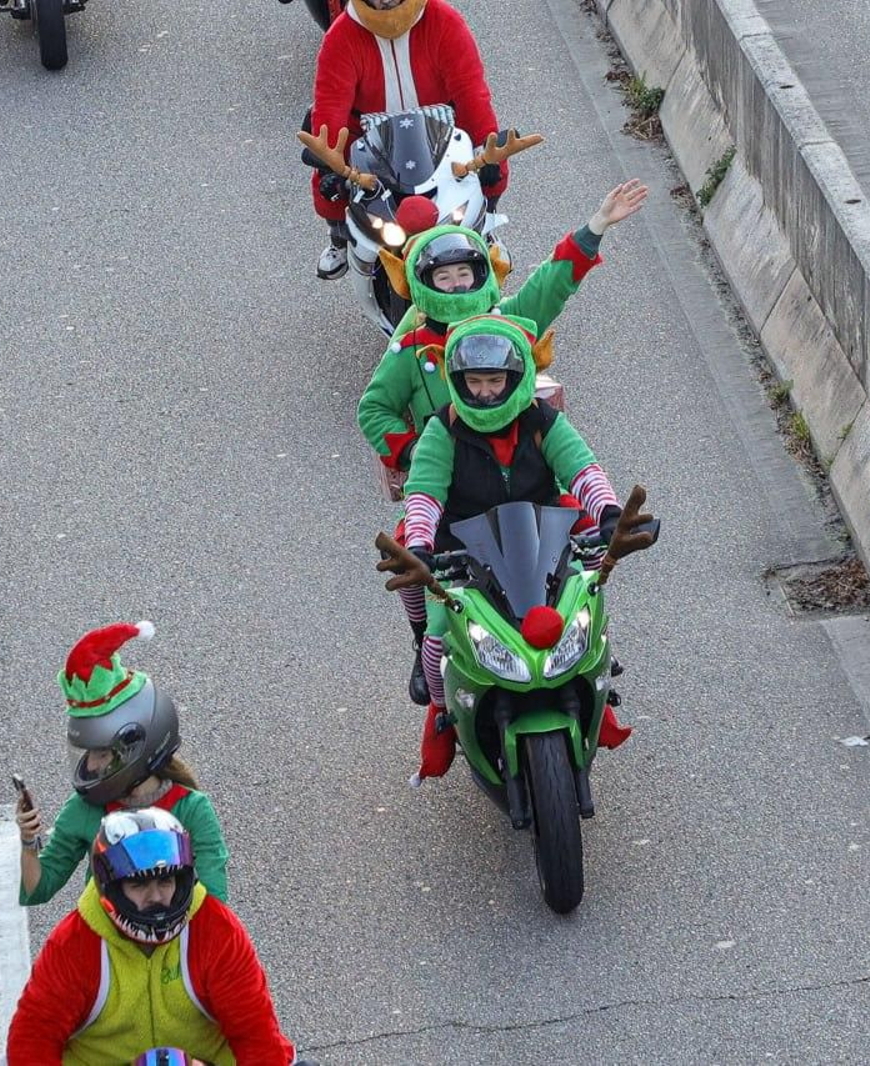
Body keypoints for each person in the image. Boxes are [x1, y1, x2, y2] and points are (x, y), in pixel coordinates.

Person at [358, 179, 648, 703]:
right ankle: (427, 651)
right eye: (442, 277)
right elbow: (374, 409)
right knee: (410, 557)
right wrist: (417, 453)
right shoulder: (411, 352)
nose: (486, 390)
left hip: (529, 503)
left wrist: (596, 227)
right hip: (453, 485)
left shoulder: (532, 396)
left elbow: (551, 285)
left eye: (464, 274)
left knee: (588, 555)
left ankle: (591, 647)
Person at [399, 313, 634, 780]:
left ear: (517, 377)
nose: (485, 393)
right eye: (474, 382)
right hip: (464, 554)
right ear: (457, 382)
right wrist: (422, 544)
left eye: (495, 381)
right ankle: (445, 713)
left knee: (586, 608)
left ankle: (595, 682)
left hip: (543, 543)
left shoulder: (544, 420)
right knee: (437, 638)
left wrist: (609, 513)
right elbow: (424, 493)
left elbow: (582, 468)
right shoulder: (441, 431)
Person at [7, 808, 296, 1066]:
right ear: (110, 887)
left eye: (165, 880)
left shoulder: (217, 930)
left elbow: (257, 1035)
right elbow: (31, 1041)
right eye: (138, 884)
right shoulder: (72, 944)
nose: (156, 897)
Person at [15, 622, 230, 906]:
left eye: (102, 754)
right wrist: (29, 842)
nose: (91, 766)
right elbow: (38, 890)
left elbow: (215, 904)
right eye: (88, 753)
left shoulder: (192, 810)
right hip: (103, 933)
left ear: (138, 747)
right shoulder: (84, 809)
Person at [308, 0, 504, 278]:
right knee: (327, 179)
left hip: (439, 132)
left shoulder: (444, 21)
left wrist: (484, 143)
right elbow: (330, 102)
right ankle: (339, 237)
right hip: (370, 137)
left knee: (494, 163)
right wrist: (330, 164)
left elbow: (470, 90)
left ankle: (485, 225)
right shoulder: (342, 35)